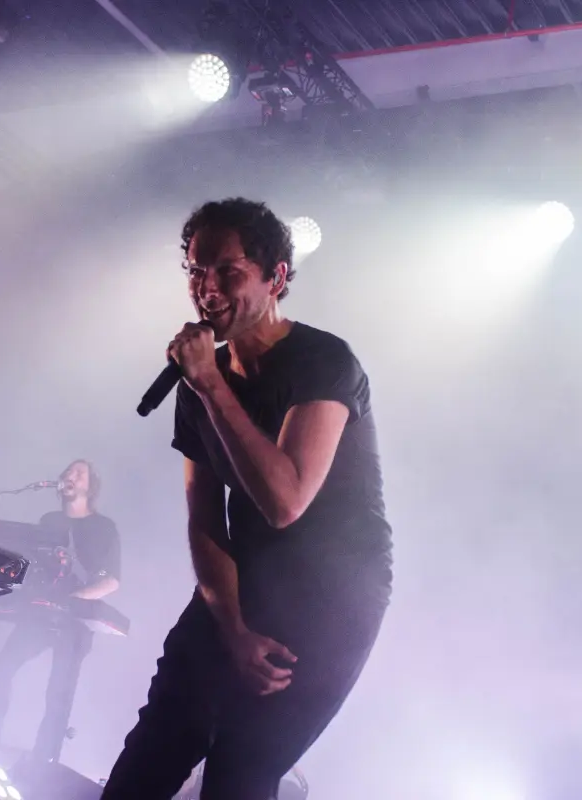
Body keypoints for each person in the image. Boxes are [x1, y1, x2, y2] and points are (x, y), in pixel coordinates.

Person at [100, 198, 393, 800]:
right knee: (147, 760)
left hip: (332, 595)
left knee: (239, 774)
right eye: (193, 271)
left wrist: (209, 382)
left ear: (275, 277)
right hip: (243, 582)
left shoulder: (322, 361)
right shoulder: (200, 382)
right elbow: (204, 518)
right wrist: (231, 626)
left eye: (226, 271)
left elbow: (285, 500)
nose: (206, 289)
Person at [0, 459, 121, 763]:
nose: (70, 476)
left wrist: (75, 597)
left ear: (90, 486)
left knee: (58, 693)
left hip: (74, 620)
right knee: (3, 666)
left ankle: (44, 760)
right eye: (67, 472)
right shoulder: (49, 520)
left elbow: (112, 580)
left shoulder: (104, 527)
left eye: (78, 474)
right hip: (39, 613)